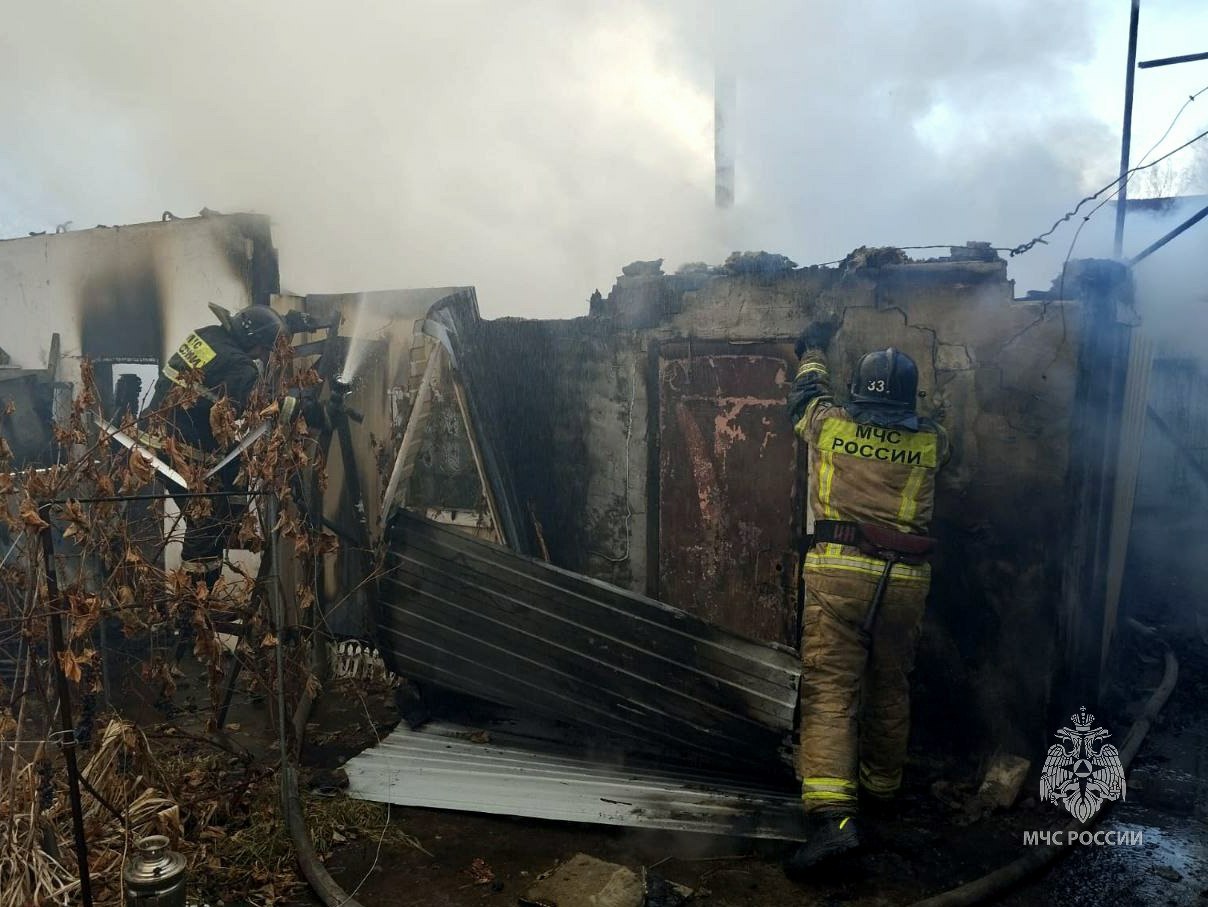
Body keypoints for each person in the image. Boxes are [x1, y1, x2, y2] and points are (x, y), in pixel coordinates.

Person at [784, 321, 949, 876]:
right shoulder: (932, 440)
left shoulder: (829, 425)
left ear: (855, 393)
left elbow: (804, 396)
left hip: (840, 573)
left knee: (831, 687)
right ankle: (883, 792)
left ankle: (834, 819)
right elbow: (946, 438)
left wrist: (812, 350)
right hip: (906, 580)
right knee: (890, 684)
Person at [143, 304, 289, 590]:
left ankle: (230, 528)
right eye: (262, 348)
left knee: (233, 465)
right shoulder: (239, 366)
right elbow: (260, 406)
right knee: (205, 520)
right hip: (180, 453)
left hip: (154, 436)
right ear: (251, 340)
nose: (263, 355)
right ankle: (195, 600)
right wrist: (299, 405)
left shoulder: (207, 335)